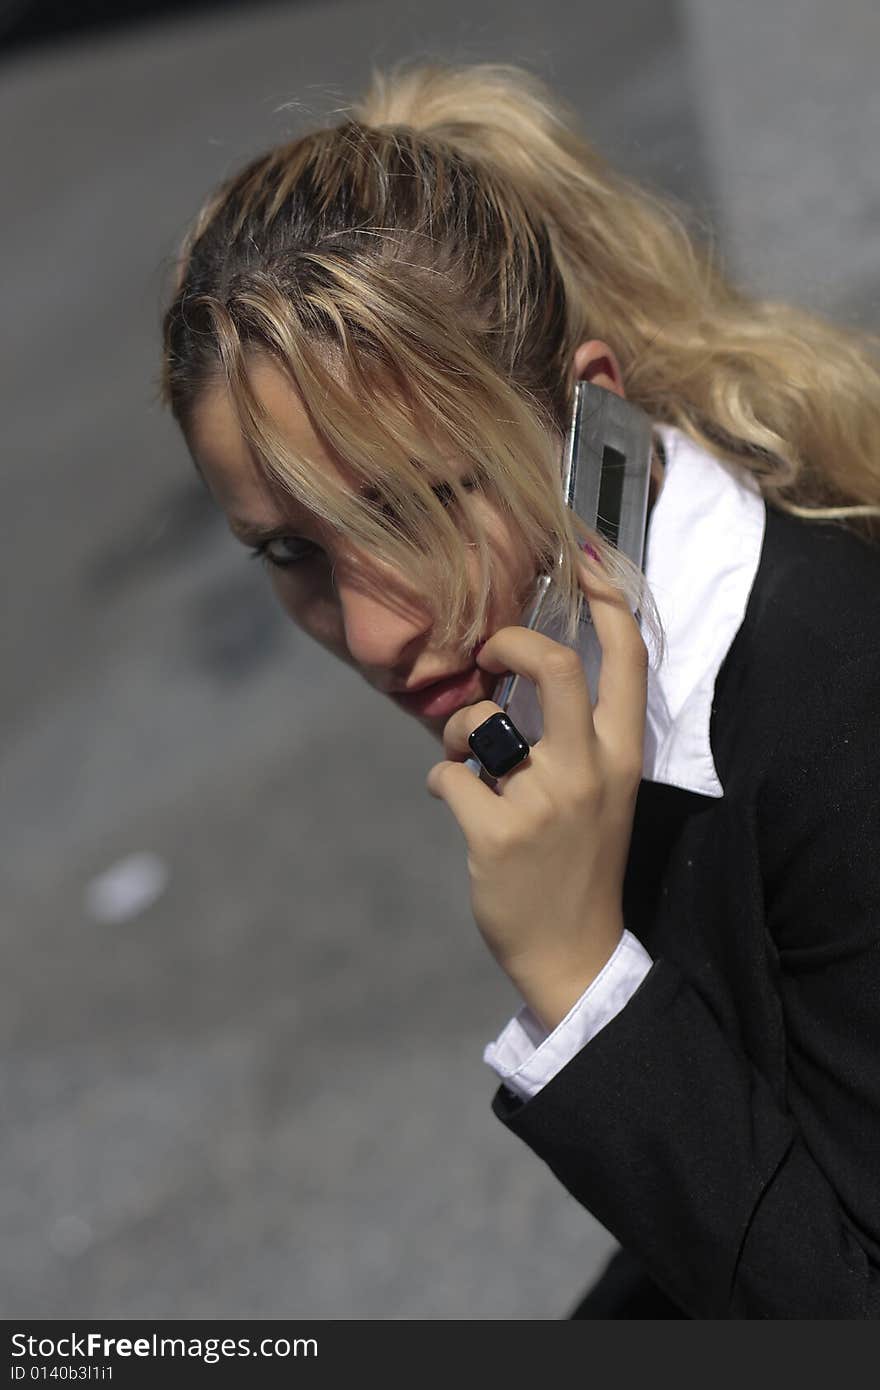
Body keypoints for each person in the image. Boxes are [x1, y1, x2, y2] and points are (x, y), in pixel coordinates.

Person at [157, 60, 880, 1318]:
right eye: (293, 551)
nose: (377, 634)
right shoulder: (600, 618)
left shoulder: (833, 699)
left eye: (418, 502)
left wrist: (581, 973)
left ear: (590, 417)